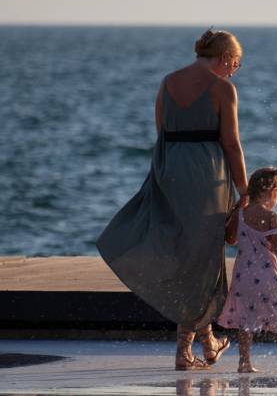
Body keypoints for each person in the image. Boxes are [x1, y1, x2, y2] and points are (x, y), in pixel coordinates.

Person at [97, 29, 250, 370]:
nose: (235, 70)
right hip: (207, 175)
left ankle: (208, 341)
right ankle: (184, 350)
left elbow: (160, 128)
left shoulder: (168, 82)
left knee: (188, 255)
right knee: (203, 258)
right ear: (225, 57)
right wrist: (244, 190)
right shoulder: (223, 88)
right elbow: (232, 142)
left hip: (169, 169)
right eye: (236, 64)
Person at [218, 164, 277, 373]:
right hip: (267, 277)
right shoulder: (271, 217)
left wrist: (234, 213)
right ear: (271, 192)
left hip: (242, 277)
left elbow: (230, 239)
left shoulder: (241, 214)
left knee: (245, 322)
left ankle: (244, 363)